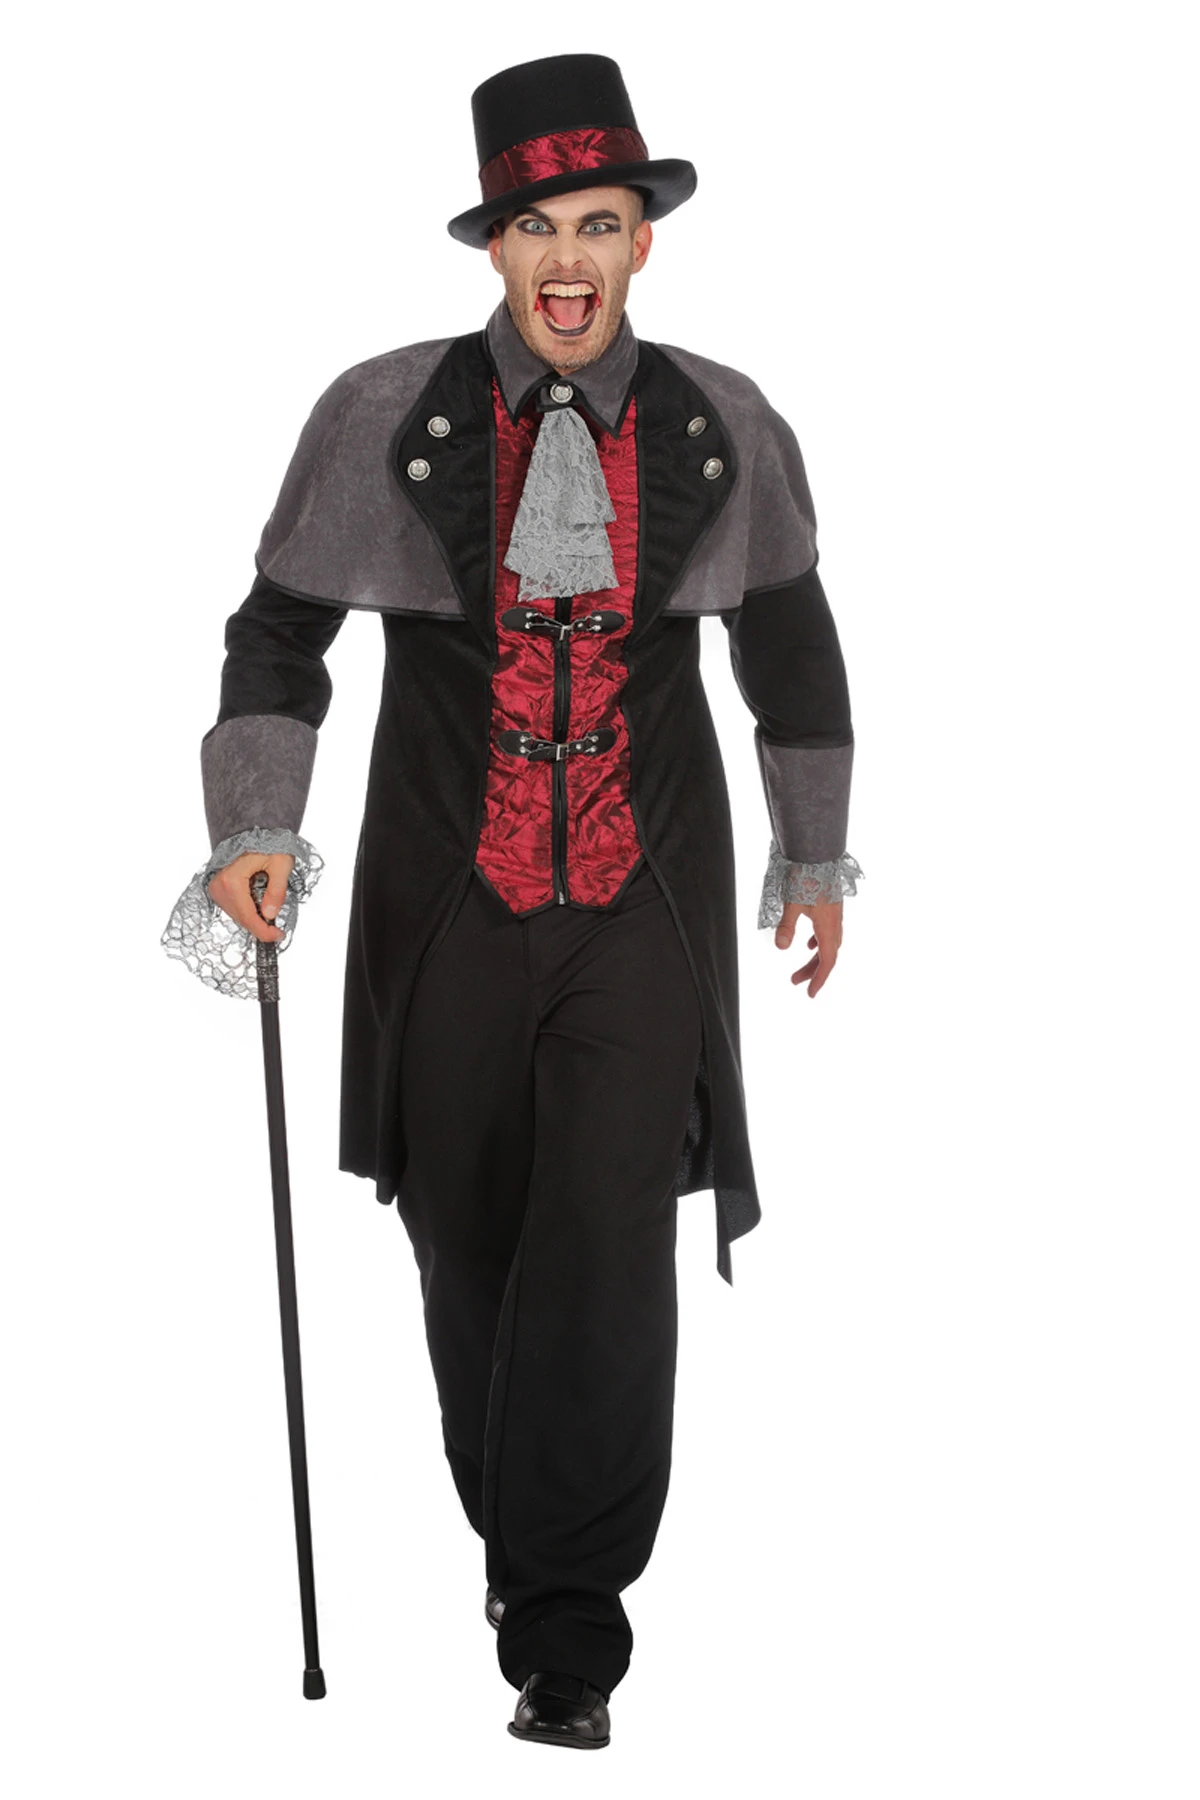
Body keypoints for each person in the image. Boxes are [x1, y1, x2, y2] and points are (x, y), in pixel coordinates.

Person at [163, 51, 863, 1750]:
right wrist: (257, 826)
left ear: (642, 244)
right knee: (467, 1231)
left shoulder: (719, 423)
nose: (569, 257)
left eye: (600, 224)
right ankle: (522, 1536)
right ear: (496, 247)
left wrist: (814, 852)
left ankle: (570, 1630)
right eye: (539, 226)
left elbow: (789, 646)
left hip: (643, 906)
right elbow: (279, 635)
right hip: (446, 901)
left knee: (607, 1246)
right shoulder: (385, 415)